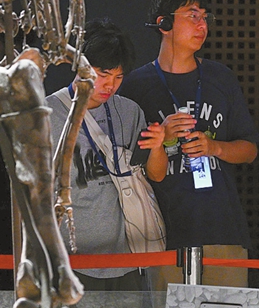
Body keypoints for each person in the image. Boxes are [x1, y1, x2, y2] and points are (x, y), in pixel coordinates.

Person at [119, 0, 259, 287]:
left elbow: (249, 150)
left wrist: (215, 147)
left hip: (222, 226)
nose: (202, 25)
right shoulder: (135, 87)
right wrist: (163, 136)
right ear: (164, 24)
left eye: (206, 17)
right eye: (193, 16)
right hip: (162, 232)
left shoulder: (220, 77)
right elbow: (130, 166)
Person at [46, 19, 168, 292]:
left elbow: (155, 175)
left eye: (118, 77)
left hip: (126, 258)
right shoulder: (47, 114)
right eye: (103, 74)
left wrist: (158, 146)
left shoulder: (129, 111)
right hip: (69, 260)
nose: (110, 85)